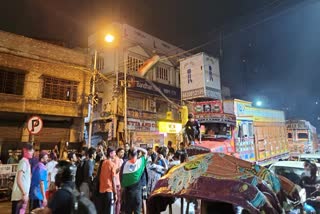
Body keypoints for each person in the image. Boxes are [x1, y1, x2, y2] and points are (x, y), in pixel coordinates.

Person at [121, 147, 147, 214]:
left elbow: (121, 178)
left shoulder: (125, 164)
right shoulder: (140, 162)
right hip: (137, 194)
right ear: (136, 155)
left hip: (128, 194)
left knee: (128, 212)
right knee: (137, 212)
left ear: (129, 155)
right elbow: (145, 152)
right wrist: (137, 148)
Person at [11, 143, 34, 214]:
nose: (32, 152)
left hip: (22, 195)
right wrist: (24, 193)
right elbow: (19, 179)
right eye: (30, 150)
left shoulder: (26, 162)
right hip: (19, 196)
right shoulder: (23, 162)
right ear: (25, 151)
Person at [97, 147, 118, 214]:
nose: (115, 154)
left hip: (101, 190)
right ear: (110, 153)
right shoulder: (112, 165)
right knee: (110, 211)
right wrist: (115, 193)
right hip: (109, 190)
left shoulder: (103, 163)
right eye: (114, 153)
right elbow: (113, 179)